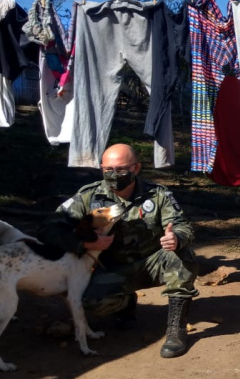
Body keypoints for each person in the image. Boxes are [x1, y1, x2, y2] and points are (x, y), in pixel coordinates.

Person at [39, 143, 198, 358]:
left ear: (136, 168)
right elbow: (48, 228)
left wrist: (176, 238)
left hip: (152, 262)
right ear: (101, 168)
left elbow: (182, 224)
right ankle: (125, 304)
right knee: (88, 303)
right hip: (113, 269)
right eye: (108, 170)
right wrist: (84, 244)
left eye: (122, 169)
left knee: (182, 255)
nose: (114, 175)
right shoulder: (89, 197)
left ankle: (176, 329)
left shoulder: (157, 195)